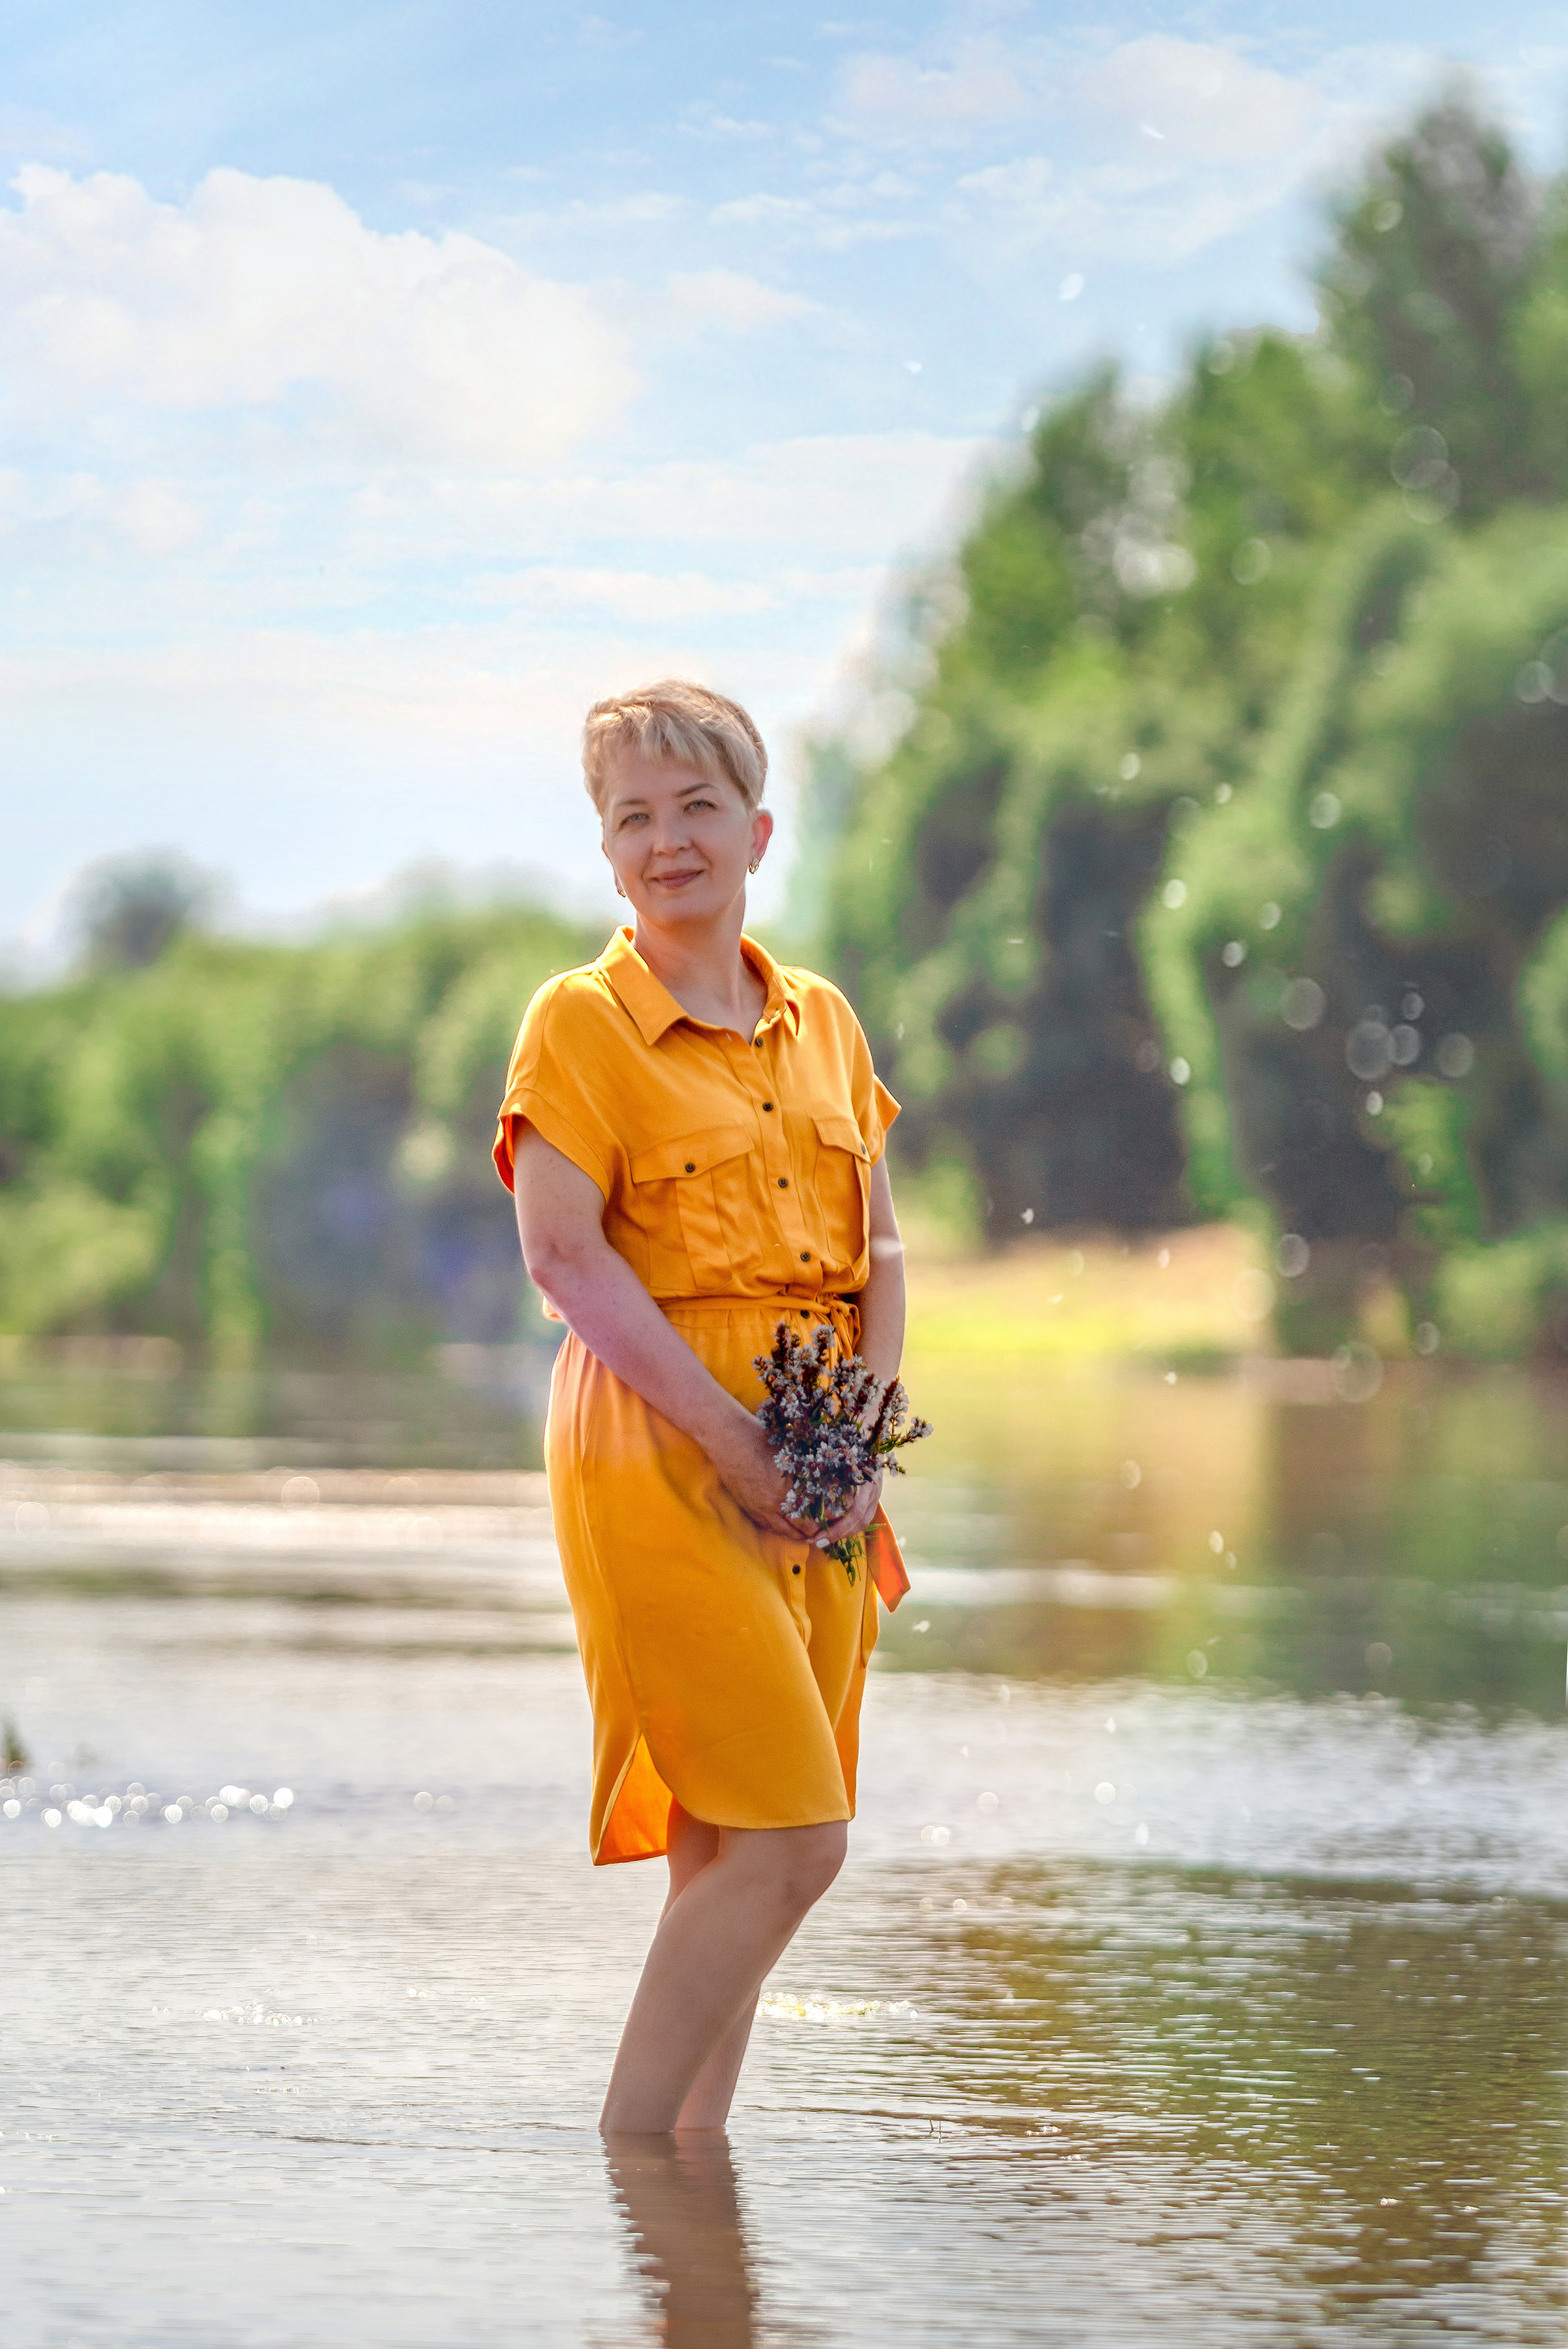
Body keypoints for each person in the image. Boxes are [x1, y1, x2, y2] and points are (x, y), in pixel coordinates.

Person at [493, 679, 909, 2136]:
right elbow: (561, 1257)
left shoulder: (824, 1023)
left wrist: (853, 1436)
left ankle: (683, 2192)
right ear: (606, 854)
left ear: (756, 829)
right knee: (800, 1841)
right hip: (651, 1449)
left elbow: (884, 1251)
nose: (667, 840)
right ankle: (627, 2153)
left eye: (695, 809)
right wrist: (730, 1442)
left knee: (733, 1841)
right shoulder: (578, 1024)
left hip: (821, 1458)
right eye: (633, 817)